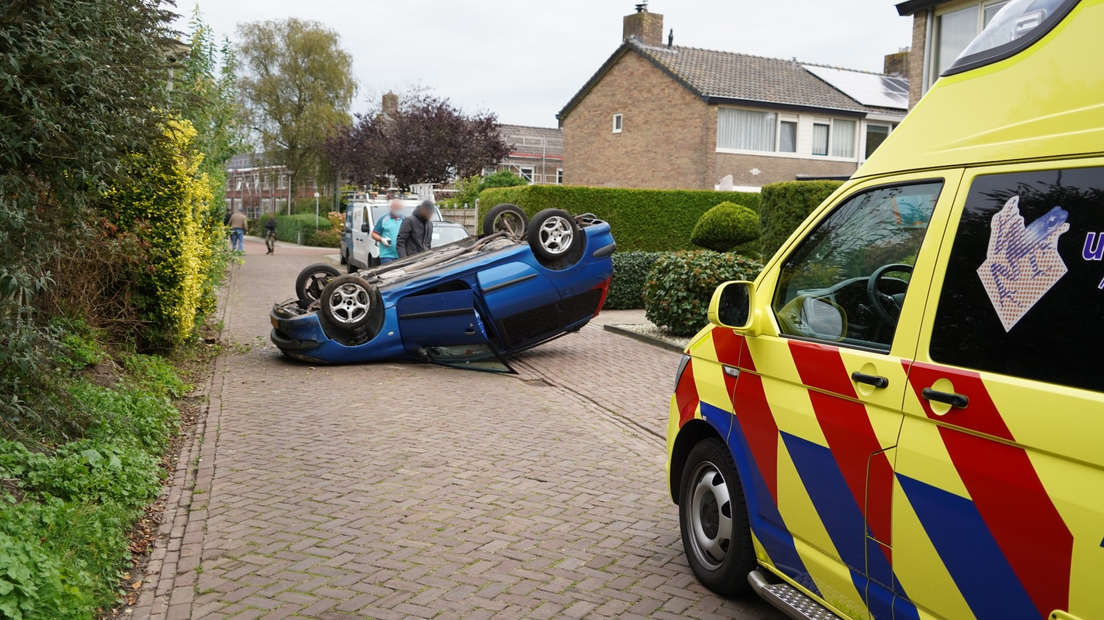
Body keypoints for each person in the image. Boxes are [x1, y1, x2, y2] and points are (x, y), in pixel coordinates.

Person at [371, 200, 405, 265]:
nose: (398, 210)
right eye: (396, 208)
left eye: (399, 208)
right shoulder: (383, 219)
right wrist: (382, 239)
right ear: (392, 208)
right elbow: (374, 234)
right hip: (387, 256)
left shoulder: (405, 219)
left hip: (401, 255)